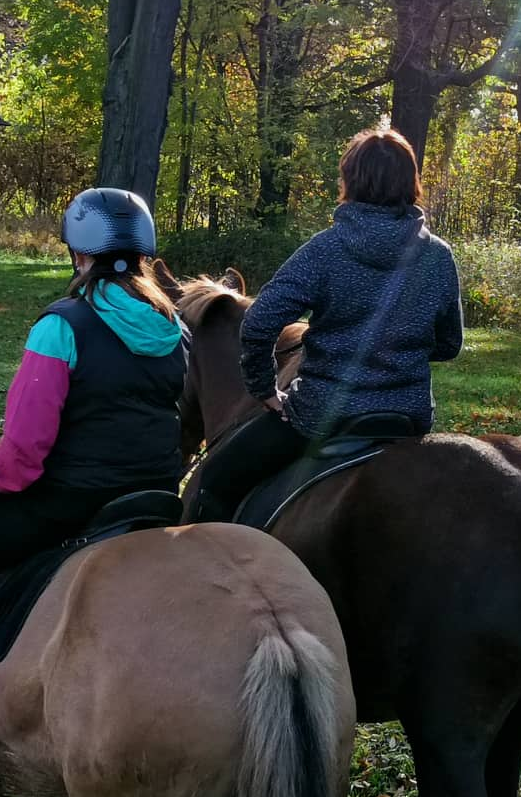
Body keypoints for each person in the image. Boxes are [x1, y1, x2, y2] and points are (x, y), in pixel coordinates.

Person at [0, 187, 189, 761]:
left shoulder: (62, 325)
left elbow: (25, 455)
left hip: (67, 501)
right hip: (151, 499)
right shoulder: (174, 331)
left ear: (79, 253)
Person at [192, 128, 463, 524]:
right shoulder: (438, 257)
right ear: (412, 182)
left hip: (321, 415)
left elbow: (259, 322)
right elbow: (449, 344)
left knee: (213, 480)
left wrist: (265, 390)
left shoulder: (324, 250)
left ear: (349, 180)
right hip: (406, 416)